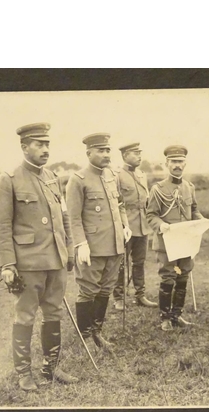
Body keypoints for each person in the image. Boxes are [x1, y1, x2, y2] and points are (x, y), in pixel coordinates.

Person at [0, 123, 78, 391]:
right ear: (24, 147)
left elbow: (64, 217)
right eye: (39, 144)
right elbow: (1, 226)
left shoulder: (53, 177)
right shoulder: (9, 179)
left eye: (47, 144)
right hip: (28, 263)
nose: (45, 149)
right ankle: (24, 373)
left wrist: (70, 248)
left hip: (56, 260)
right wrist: (8, 264)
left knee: (54, 312)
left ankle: (51, 368)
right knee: (26, 315)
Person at [65, 133, 132, 351]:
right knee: (88, 290)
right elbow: (73, 217)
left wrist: (125, 225)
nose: (105, 154)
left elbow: (120, 204)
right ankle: (86, 337)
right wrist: (80, 243)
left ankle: (97, 332)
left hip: (114, 245)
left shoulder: (112, 176)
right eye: (100, 151)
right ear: (89, 153)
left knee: (106, 289)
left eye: (107, 150)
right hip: (91, 247)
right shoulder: (78, 179)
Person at [146, 145, 203, 331]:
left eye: (180, 161)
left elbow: (193, 209)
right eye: (173, 162)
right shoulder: (158, 189)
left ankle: (177, 315)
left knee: (182, 275)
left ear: (185, 163)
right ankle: (165, 317)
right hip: (167, 243)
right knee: (169, 277)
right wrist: (161, 225)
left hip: (185, 243)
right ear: (166, 164)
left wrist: (201, 221)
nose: (177, 165)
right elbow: (151, 215)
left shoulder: (189, 187)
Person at [112, 143, 157, 310]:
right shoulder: (117, 175)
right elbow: (116, 202)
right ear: (124, 156)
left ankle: (140, 295)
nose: (139, 156)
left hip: (142, 224)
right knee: (121, 263)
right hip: (126, 225)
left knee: (139, 262)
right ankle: (119, 298)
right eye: (135, 153)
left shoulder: (141, 175)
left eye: (140, 153)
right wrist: (122, 225)